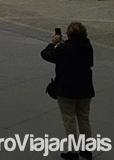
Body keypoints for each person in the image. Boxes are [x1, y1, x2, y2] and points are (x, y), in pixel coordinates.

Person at [41, 22, 95, 160]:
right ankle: (87, 149)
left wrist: (53, 43)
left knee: (69, 120)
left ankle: (73, 151)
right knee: (84, 119)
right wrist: (65, 44)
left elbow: (46, 55)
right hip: (85, 88)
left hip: (67, 89)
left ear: (69, 34)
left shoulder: (65, 49)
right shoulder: (87, 46)